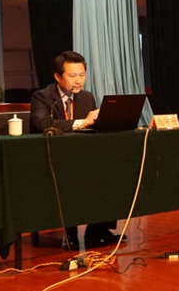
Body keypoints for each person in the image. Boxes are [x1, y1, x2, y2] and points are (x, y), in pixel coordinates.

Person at [30, 51, 125, 250]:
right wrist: (81, 122)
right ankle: (69, 233)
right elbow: (41, 123)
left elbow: (94, 126)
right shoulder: (42, 96)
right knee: (71, 176)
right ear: (58, 76)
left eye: (82, 75)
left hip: (82, 156)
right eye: (72, 75)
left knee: (112, 171)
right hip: (52, 159)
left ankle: (98, 231)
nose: (78, 80)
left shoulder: (86, 97)